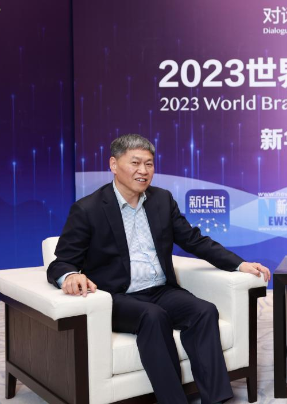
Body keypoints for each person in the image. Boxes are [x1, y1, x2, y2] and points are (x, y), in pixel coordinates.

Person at [47, 134, 270, 404]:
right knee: (153, 317)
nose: (143, 171)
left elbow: (194, 240)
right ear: (114, 165)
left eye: (149, 164)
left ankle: (217, 399)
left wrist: (239, 264)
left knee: (204, 311)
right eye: (135, 163)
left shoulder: (162, 200)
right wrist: (70, 275)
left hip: (161, 290)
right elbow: (61, 262)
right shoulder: (88, 209)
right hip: (117, 296)